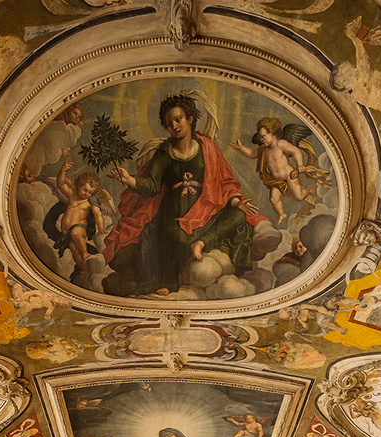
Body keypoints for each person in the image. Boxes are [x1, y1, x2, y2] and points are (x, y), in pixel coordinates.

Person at [103, 94, 263, 296]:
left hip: (205, 211)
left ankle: (201, 243)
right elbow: (152, 185)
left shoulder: (208, 147)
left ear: (190, 119)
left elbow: (223, 179)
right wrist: (129, 180)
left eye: (178, 119)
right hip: (174, 214)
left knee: (239, 216)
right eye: (169, 123)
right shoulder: (164, 152)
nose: (174, 126)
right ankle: (169, 282)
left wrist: (235, 200)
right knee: (175, 235)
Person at [228, 118, 320, 224]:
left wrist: (300, 165)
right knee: (273, 199)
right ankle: (281, 214)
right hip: (276, 181)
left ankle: (308, 189)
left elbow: (295, 151)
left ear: (272, 133)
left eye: (263, 136)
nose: (261, 139)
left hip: (289, 175)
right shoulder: (264, 149)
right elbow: (253, 154)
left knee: (298, 197)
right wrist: (241, 148)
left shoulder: (280, 144)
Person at [42, 149, 113, 283]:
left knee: (76, 233)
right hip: (66, 231)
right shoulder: (72, 195)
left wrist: (101, 227)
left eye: (90, 192)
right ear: (79, 186)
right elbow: (61, 184)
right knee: (74, 250)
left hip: (80, 229)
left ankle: (86, 252)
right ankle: (83, 267)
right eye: (84, 189)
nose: (86, 193)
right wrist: (63, 171)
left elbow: (98, 214)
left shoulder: (91, 201)